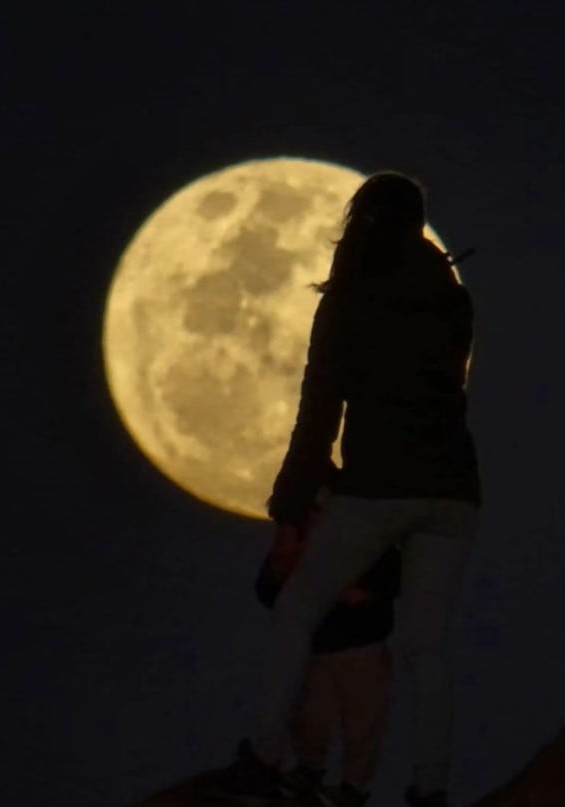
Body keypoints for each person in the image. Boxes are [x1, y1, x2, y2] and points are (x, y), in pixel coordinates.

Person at [199, 171, 481, 807]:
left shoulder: (351, 298)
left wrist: (290, 506)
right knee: (423, 646)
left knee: (297, 611)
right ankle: (429, 789)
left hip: (380, 484)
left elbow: (318, 411)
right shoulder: (451, 297)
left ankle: (269, 759)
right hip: (456, 492)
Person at [254, 508, 401, 807]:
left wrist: (348, 590)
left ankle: (352, 789)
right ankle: (307, 776)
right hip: (320, 649)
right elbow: (268, 590)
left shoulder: (370, 540)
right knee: (311, 719)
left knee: (363, 724)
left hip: (364, 647)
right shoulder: (299, 546)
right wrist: (282, 568)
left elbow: (387, 582)